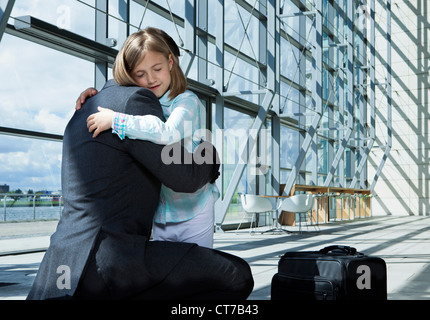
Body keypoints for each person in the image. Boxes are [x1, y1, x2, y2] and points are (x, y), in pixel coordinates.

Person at [26, 78, 254, 300]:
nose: (153, 78)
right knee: (237, 276)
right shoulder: (135, 101)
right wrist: (210, 154)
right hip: (110, 258)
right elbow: (185, 178)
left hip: (62, 261)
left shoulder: (86, 105)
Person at [76, 28, 218, 249]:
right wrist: (97, 95)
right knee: (168, 277)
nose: (150, 79)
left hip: (194, 209)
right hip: (160, 214)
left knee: (199, 275)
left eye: (157, 69)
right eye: (140, 74)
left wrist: (116, 120)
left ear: (171, 62)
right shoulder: (145, 103)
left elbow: (167, 132)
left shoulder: (187, 101)